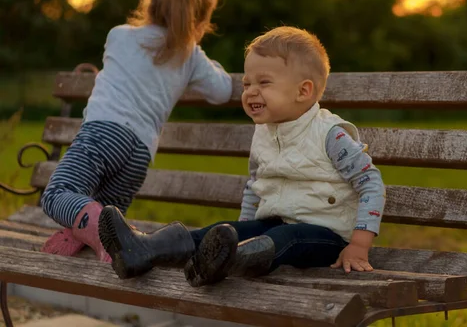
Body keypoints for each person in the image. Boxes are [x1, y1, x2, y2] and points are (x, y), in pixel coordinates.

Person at [99, 26, 386, 285]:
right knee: (222, 229)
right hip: (274, 225)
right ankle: (144, 249)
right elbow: (254, 186)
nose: (250, 92)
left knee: (287, 238)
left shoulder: (330, 135)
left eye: (264, 83)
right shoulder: (263, 133)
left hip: (325, 236)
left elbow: (371, 183)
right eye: (247, 84)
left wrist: (359, 244)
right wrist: (239, 230)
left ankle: (226, 262)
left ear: (303, 91)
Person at [40, 0, 232, 262]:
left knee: (57, 195)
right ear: (200, 19)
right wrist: (193, 44)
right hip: (138, 155)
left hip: (103, 134)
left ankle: (91, 231)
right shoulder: (189, 55)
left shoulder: (119, 35)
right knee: (108, 220)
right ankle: (91, 241)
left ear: (151, 3)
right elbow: (222, 91)